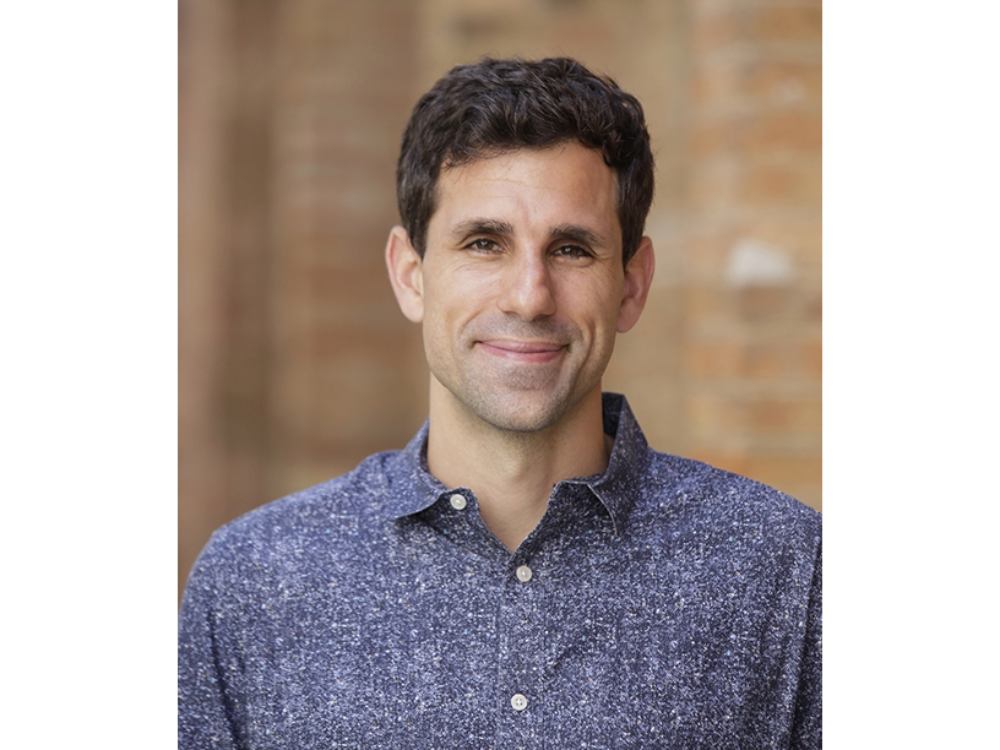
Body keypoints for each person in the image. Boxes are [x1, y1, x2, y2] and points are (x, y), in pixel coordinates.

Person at [177, 57, 822, 748]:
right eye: (484, 244)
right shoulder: (254, 580)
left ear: (632, 286)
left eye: (571, 249)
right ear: (411, 275)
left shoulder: (784, 568)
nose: (529, 297)